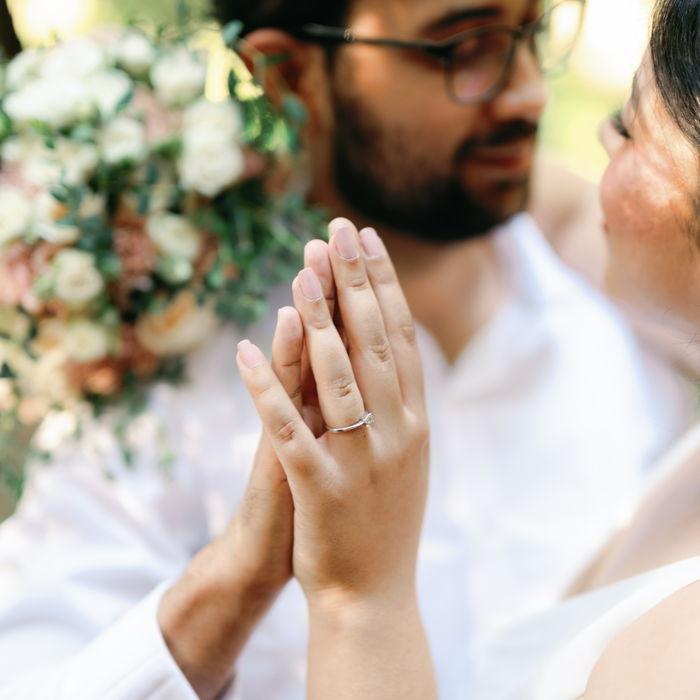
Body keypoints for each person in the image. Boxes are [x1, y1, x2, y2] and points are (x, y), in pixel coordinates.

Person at [0, 1, 691, 698]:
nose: (529, 92)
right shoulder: (162, 385)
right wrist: (236, 581)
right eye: (463, 47)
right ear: (287, 72)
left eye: (532, 32)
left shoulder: (634, 305)